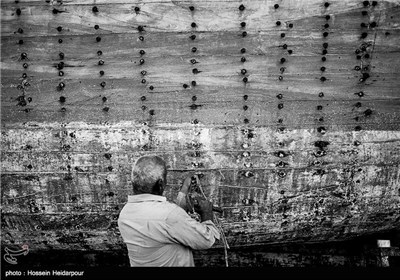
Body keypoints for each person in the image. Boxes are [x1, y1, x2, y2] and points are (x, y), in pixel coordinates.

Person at [117, 155, 220, 267]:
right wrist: (206, 213)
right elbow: (206, 240)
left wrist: (184, 189)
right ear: (161, 184)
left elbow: (169, 225)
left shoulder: (125, 214)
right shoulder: (169, 216)